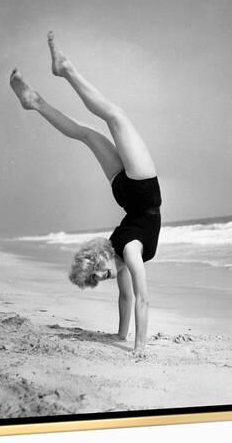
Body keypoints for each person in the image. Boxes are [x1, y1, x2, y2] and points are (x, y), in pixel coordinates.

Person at [10, 32, 162, 358]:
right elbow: (132, 298)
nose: (106, 274)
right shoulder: (121, 249)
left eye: (101, 272)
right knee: (89, 132)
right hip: (126, 193)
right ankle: (35, 101)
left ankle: (64, 70)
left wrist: (137, 345)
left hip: (141, 188)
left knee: (114, 118)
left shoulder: (129, 252)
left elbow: (135, 298)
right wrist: (127, 341)